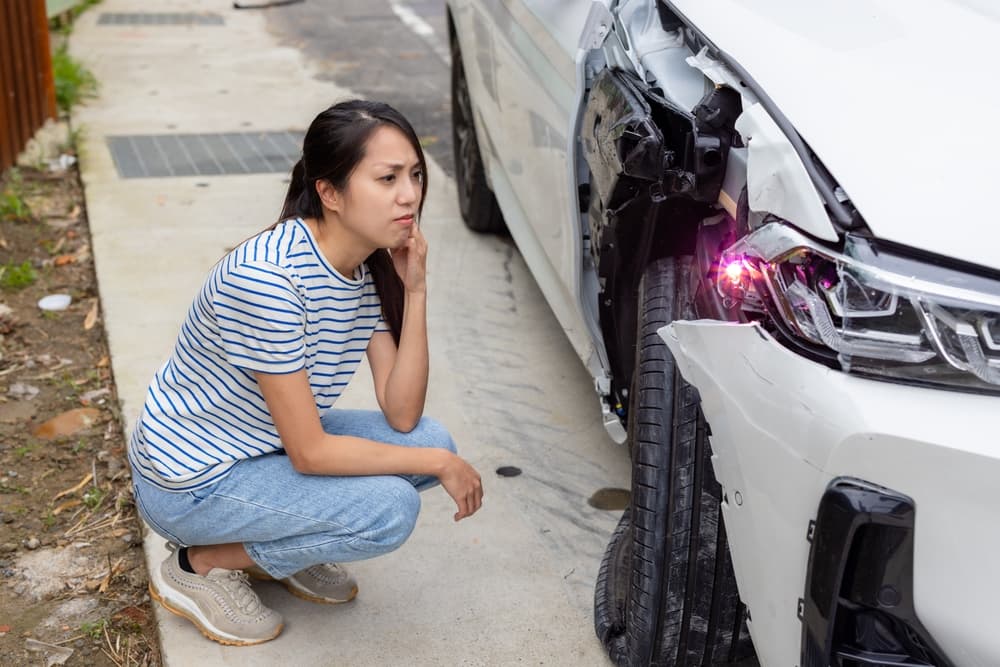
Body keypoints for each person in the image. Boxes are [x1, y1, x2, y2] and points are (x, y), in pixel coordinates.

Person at [126, 100, 484, 646]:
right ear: (330, 192)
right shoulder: (268, 281)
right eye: (386, 178)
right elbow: (310, 453)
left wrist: (415, 290)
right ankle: (198, 565)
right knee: (390, 508)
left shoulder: (359, 264)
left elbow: (403, 412)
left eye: (414, 175)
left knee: (431, 439)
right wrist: (440, 464)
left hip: (259, 446)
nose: (409, 195)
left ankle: (289, 539)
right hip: (191, 482)